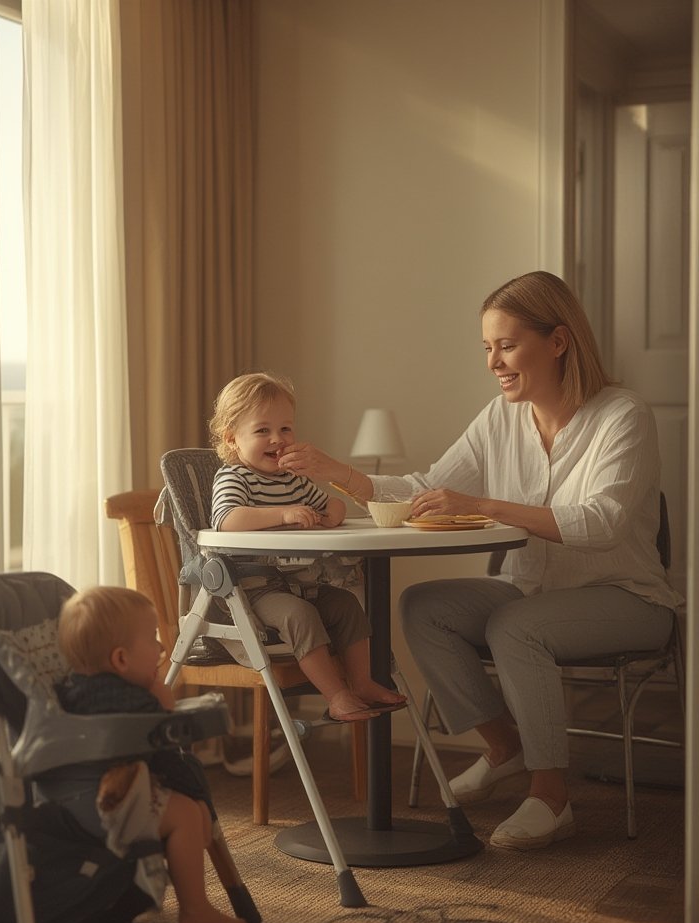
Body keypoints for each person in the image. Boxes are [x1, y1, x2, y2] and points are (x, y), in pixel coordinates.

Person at [276, 270, 682, 851]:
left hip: (629, 599)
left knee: (516, 626)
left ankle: (551, 796)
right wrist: (335, 473)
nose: (493, 361)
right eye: (487, 348)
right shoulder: (500, 417)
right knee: (424, 605)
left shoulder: (623, 416)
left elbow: (602, 521)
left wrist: (482, 503)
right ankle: (506, 747)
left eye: (507, 345)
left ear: (559, 341)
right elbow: (425, 487)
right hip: (533, 591)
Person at [208, 371, 407, 723]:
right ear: (232, 439)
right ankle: (336, 696)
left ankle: (361, 682)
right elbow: (227, 520)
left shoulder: (294, 479)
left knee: (346, 605)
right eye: (262, 430)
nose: (277, 439)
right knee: (300, 616)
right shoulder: (233, 476)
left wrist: (330, 513)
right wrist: (283, 515)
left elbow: (334, 505)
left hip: (301, 582)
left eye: (285, 428)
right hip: (254, 589)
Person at [56, 585, 249, 923]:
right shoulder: (130, 700)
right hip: (108, 801)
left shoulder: (76, 690)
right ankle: (195, 912)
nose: (161, 649)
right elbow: (161, 733)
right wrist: (161, 698)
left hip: (80, 797)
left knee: (188, 809)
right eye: (153, 639)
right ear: (121, 660)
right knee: (187, 817)